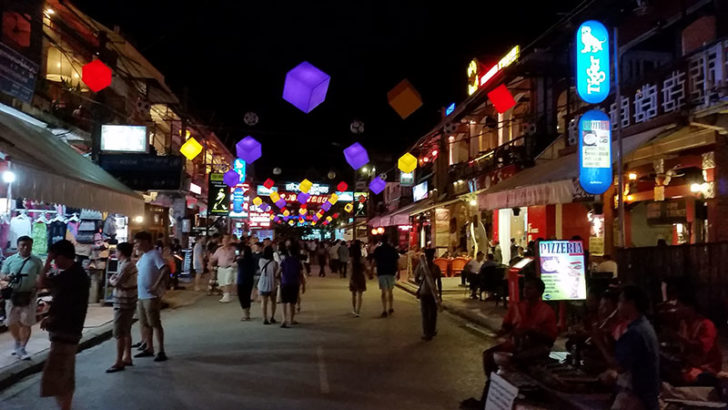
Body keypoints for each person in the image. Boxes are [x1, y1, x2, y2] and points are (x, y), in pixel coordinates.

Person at [462, 277, 557, 409]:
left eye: (530, 288)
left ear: (539, 292)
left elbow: (550, 339)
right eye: (525, 287)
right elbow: (507, 326)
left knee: (516, 360)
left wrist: (530, 332)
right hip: (515, 345)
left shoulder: (547, 311)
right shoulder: (518, 307)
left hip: (535, 347)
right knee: (489, 356)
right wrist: (500, 333)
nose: (525, 290)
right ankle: (491, 389)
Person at [38, 240, 89, 410]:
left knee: (62, 374)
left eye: (54, 257)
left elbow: (42, 283)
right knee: (62, 373)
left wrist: (46, 262)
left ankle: (66, 407)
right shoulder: (74, 273)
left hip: (66, 330)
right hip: (67, 329)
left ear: (61, 256)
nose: (54, 262)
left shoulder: (72, 276)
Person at [596, 286, 660, 410]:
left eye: (620, 301)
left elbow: (618, 366)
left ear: (630, 304)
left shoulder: (635, 332)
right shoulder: (643, 326)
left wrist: (598, 342)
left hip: (635, 396)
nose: (618, 306)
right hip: (643, 394)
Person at [0, 236, 42, 360]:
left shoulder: (36, 260)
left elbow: (40, 275)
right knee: (11, 322)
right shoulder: (10, 260)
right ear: (18, 246)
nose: (25, 247)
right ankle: (17, 342)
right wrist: (7, 277)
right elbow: (2, 274)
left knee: (26, 322)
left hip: (29, 295)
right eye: (23, 245)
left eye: (28, 245)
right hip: (12, 295)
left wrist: (37, 288)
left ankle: (22, 348)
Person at [133, 231, 169, 362]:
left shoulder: (154, 254)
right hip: (141, 295)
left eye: (138, 242)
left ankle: (161, 350)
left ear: (146, 241)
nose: (136, 244)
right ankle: (149, 347)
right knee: (145, 324)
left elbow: (164, 268)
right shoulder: (144, 256)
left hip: (150, 296)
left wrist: (156, 285)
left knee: (155, 323)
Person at [105, 242, 137, 373]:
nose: (115, 253)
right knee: (126, 330)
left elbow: (116, 282)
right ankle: (127, 357)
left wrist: (111, 280)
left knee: (119, 332)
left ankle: (119, 361)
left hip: (123, 302)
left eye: (117, 251)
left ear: (121, 253)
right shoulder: (129, 264)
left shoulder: (126, 266)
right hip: (129, 300)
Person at [415, 248, 442, 341]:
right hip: (433, 293)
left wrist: (422, 283)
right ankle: (431, 330)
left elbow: (416, 278)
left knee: (425, 313)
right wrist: (440, 295)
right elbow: (439, 282)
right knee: (433, 313)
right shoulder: (436, 267)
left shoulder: (421, 266)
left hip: (424, 292)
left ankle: (427, 332)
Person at [279, 243, 305, 328]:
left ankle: (283, 320)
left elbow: (278, 272)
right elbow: (301, 275)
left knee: (284, 302)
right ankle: (291, 320)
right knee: (292, 303)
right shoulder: (298, 261)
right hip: (294, 283)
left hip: (285, 283)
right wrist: (303, 284)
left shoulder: (284, 261)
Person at [373, 237, 399, 317]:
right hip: (391, 272)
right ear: (389, 240)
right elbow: (397, 261)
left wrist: (371, 270)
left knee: (383, 292)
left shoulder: (378, 250)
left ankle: (384, 309)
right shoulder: (393, 249)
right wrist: (399, 271)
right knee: (390, 291)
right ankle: (390, 307)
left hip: (381, 272)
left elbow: (375, 261)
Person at [209, 235, 236, 303]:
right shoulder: (219, 249)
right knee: (221, 283)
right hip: (221, 268)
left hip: (229, 268)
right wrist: (210, 263)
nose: (225, 242)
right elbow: (214, 258)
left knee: (227, 281)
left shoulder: (233, 249)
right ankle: (225, 295)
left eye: (227, 240)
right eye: (224, 240)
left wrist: (235, 263)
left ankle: (227, 296)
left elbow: (238, 257)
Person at [257, 246, 278, 325]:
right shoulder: (274, 262)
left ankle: (264, 318)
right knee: (273, 301)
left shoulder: (261, 261)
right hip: (272, 283)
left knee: (264, 301)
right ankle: (272, 317)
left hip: (263, 282)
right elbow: (276, 273)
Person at [236, 243, 256, 321]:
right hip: (250, 280)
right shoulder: (252, 260)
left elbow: (233, 263)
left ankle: (246, 314)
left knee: (242, 297)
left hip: (241, 280)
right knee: (247, 296)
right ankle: (247, 312)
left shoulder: (240, 260)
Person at [349, 240, 366, 317]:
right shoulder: (362, 258)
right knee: (360, 295)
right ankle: (358, 311)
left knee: (354, 294)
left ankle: (354, 309)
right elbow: (364, 267)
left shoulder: (352, 259)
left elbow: (350, 269)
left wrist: (350, 279)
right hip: (361, 276)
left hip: (354, 276)